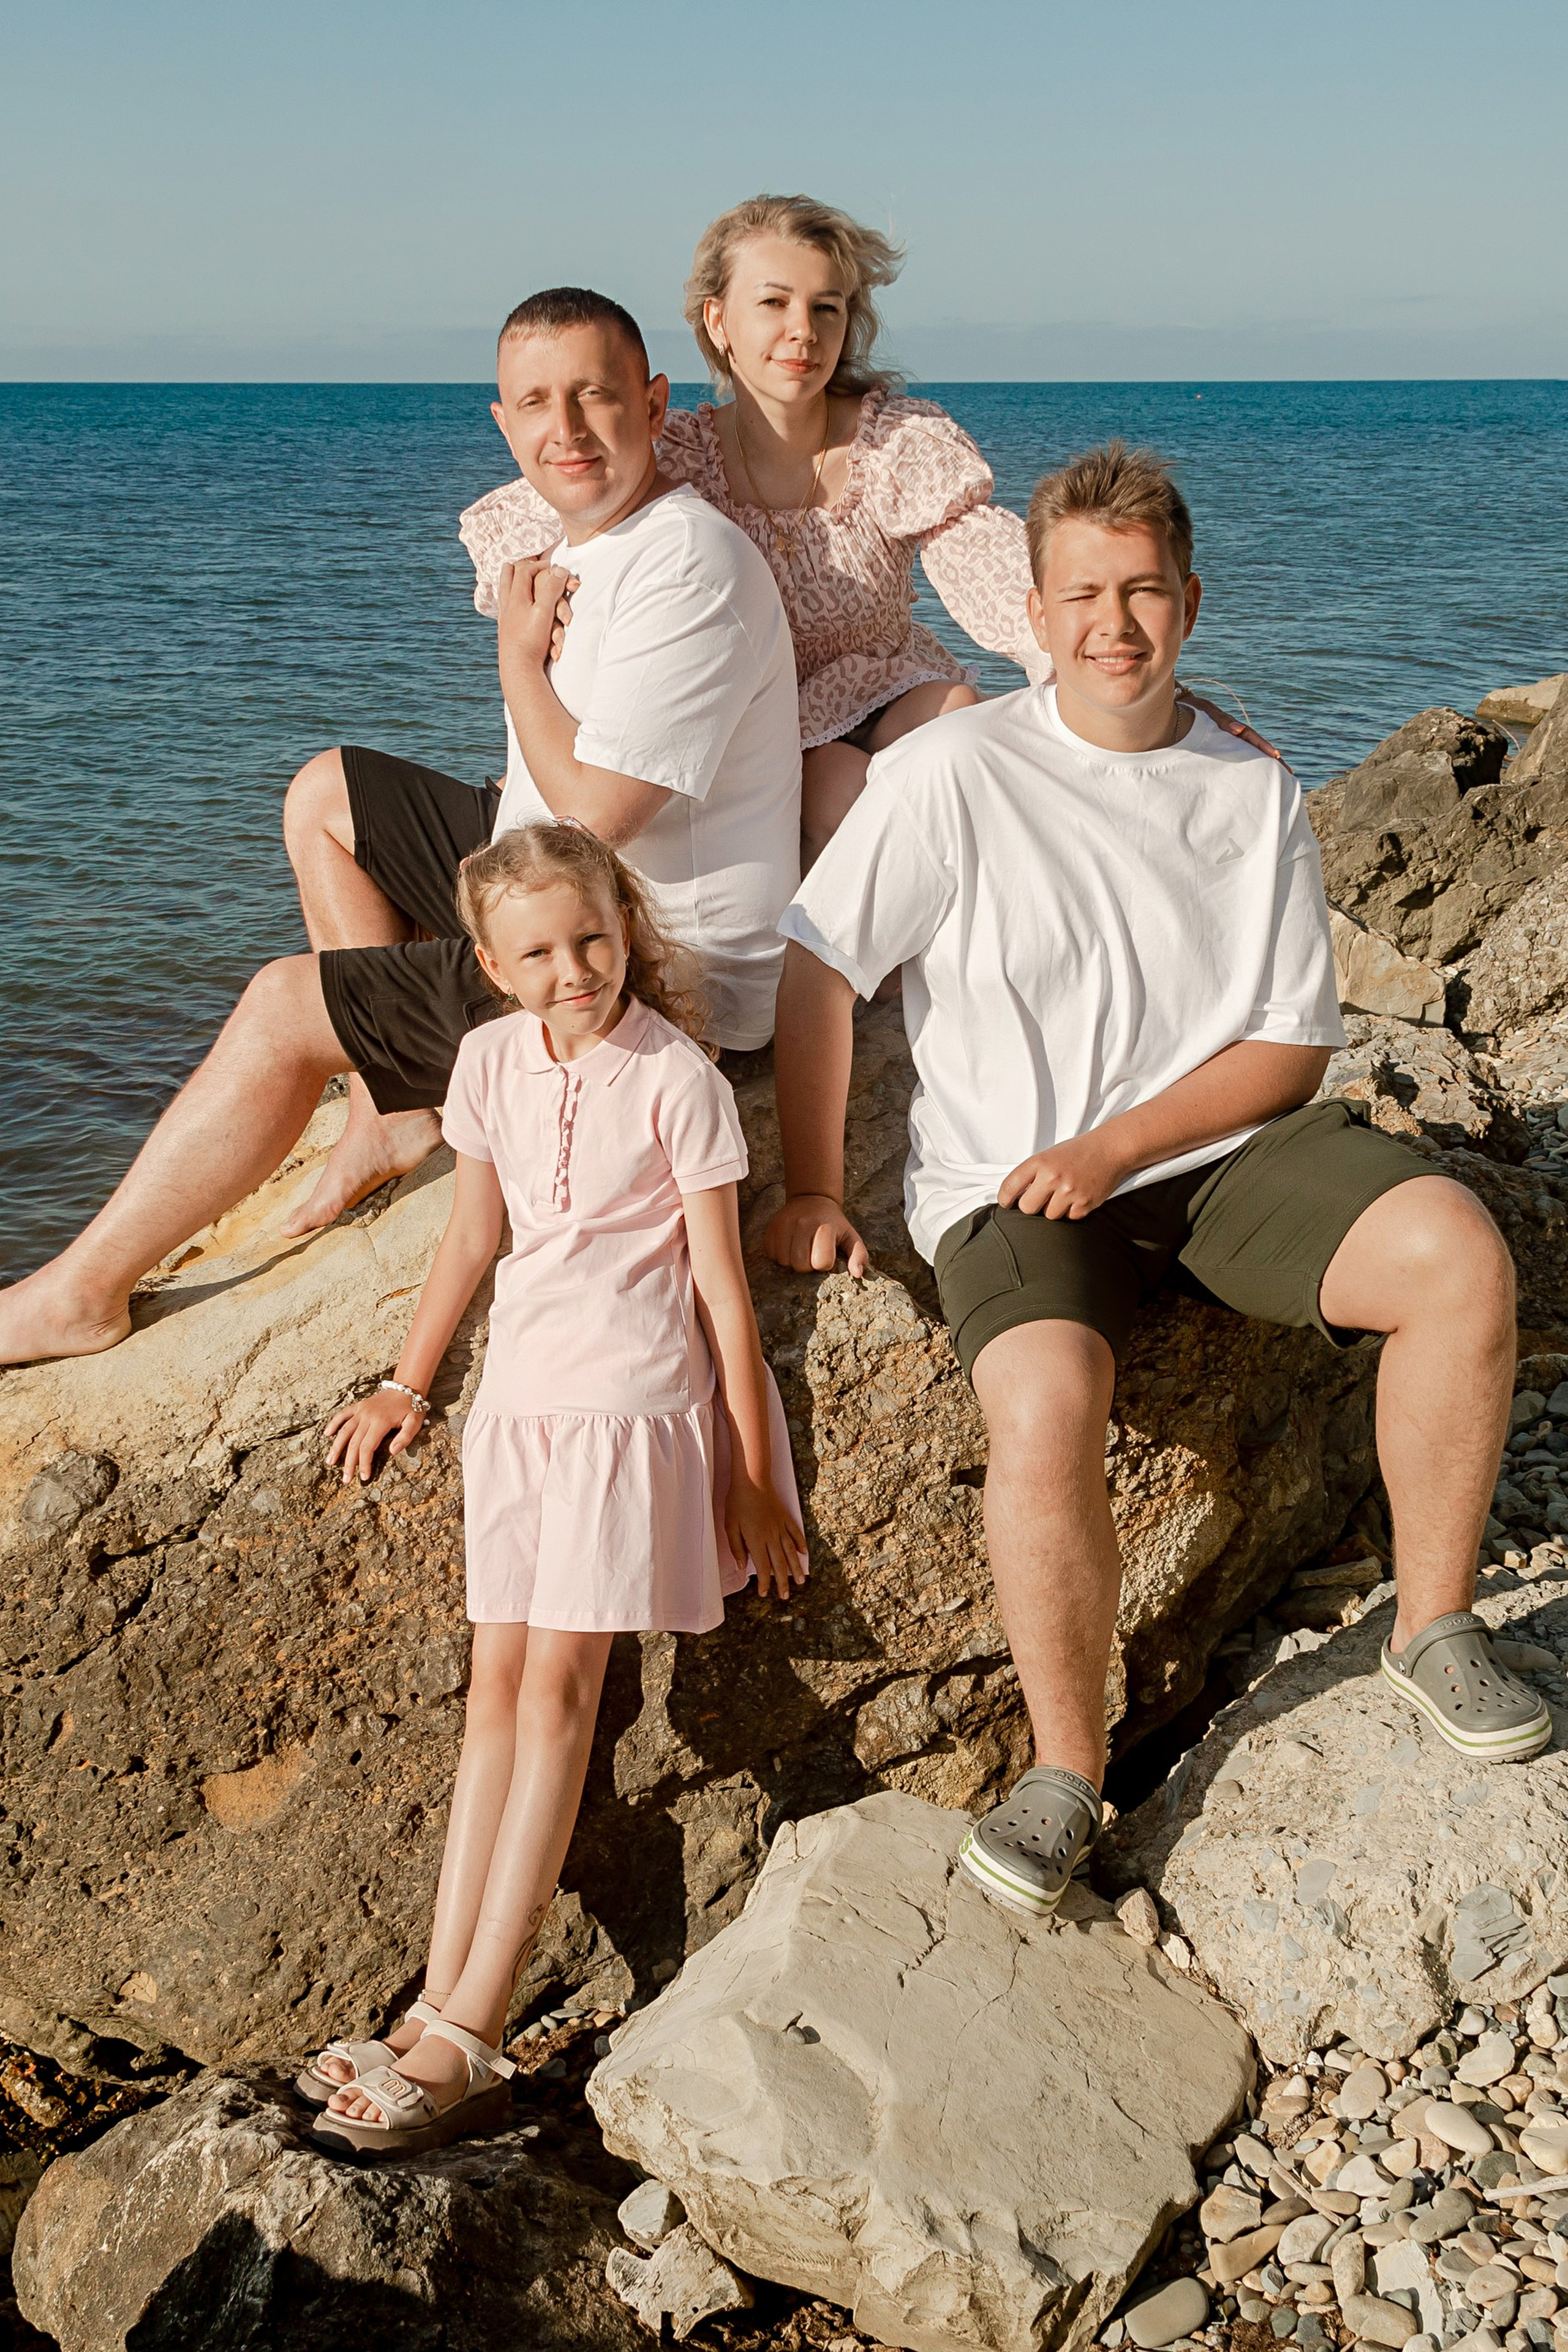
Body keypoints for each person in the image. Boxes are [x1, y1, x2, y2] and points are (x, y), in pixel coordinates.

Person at [766, 442, 1546, 1923]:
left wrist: (1118, 1146)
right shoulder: (952, 772)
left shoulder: (1246, 785)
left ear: (1188, 601)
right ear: (1034, 615)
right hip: (1006, 1183)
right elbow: (818, 967)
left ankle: (1430, 1627)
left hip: (1215, 1159)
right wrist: (813, 1185)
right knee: (1046, 1407)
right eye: (1078, 595)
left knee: (1457, 1255)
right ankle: (1069, 1770)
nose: (1110, 623)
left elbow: (1286, 1050)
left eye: (1139, 591)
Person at [0, 287, 801, 1365]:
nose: (564, 429)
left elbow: (595, 817)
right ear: (502, 422)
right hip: (567, 873)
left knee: (285, 1007)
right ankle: (393, 1110)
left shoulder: (687, 564)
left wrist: (517, 661)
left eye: (595, 397)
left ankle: (78, 1294)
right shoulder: (598, 544)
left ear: (655, 405)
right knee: (329, 795)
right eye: (534, 403)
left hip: (653, 960)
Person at [299, 821, 805, 2154]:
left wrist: (754, 1477)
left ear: (625, 922)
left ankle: (471, 2033)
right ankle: (427, 2005)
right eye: (537, 952)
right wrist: (409, 1385)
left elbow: (720, 1291)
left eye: (591, 937)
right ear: (490, 963)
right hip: (517, 1411)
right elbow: (474, 1233)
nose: (574, 969)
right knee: (496, 1702)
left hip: (629, 1410)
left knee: (564, 1701)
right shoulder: (482, 1062)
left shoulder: (677, 1078)